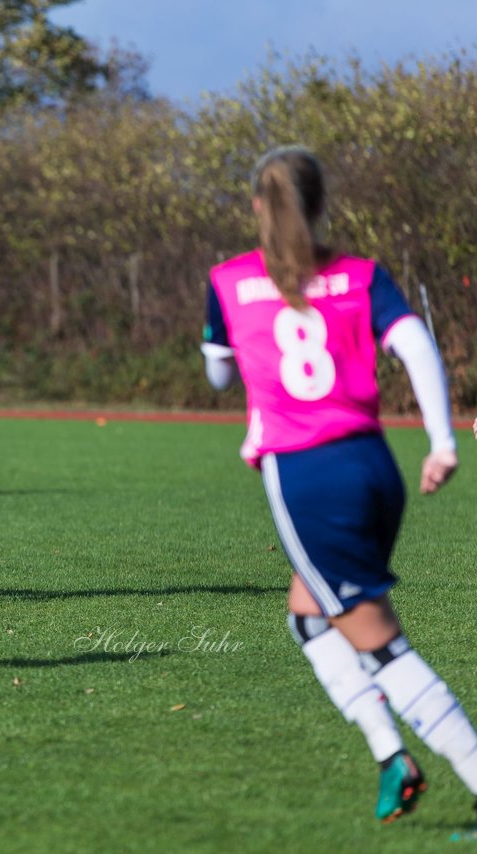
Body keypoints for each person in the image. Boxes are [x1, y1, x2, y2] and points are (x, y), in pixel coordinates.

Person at [202, 145, 477, 827]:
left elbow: (218, 374)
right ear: (321, 206)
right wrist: (441, 442)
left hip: (308, 477)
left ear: (258, 208)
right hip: (374, 465)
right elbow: (415, 344)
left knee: (380, 642)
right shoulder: (361, 274)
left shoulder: (229, 279)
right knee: (308, 614)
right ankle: (391, 755)